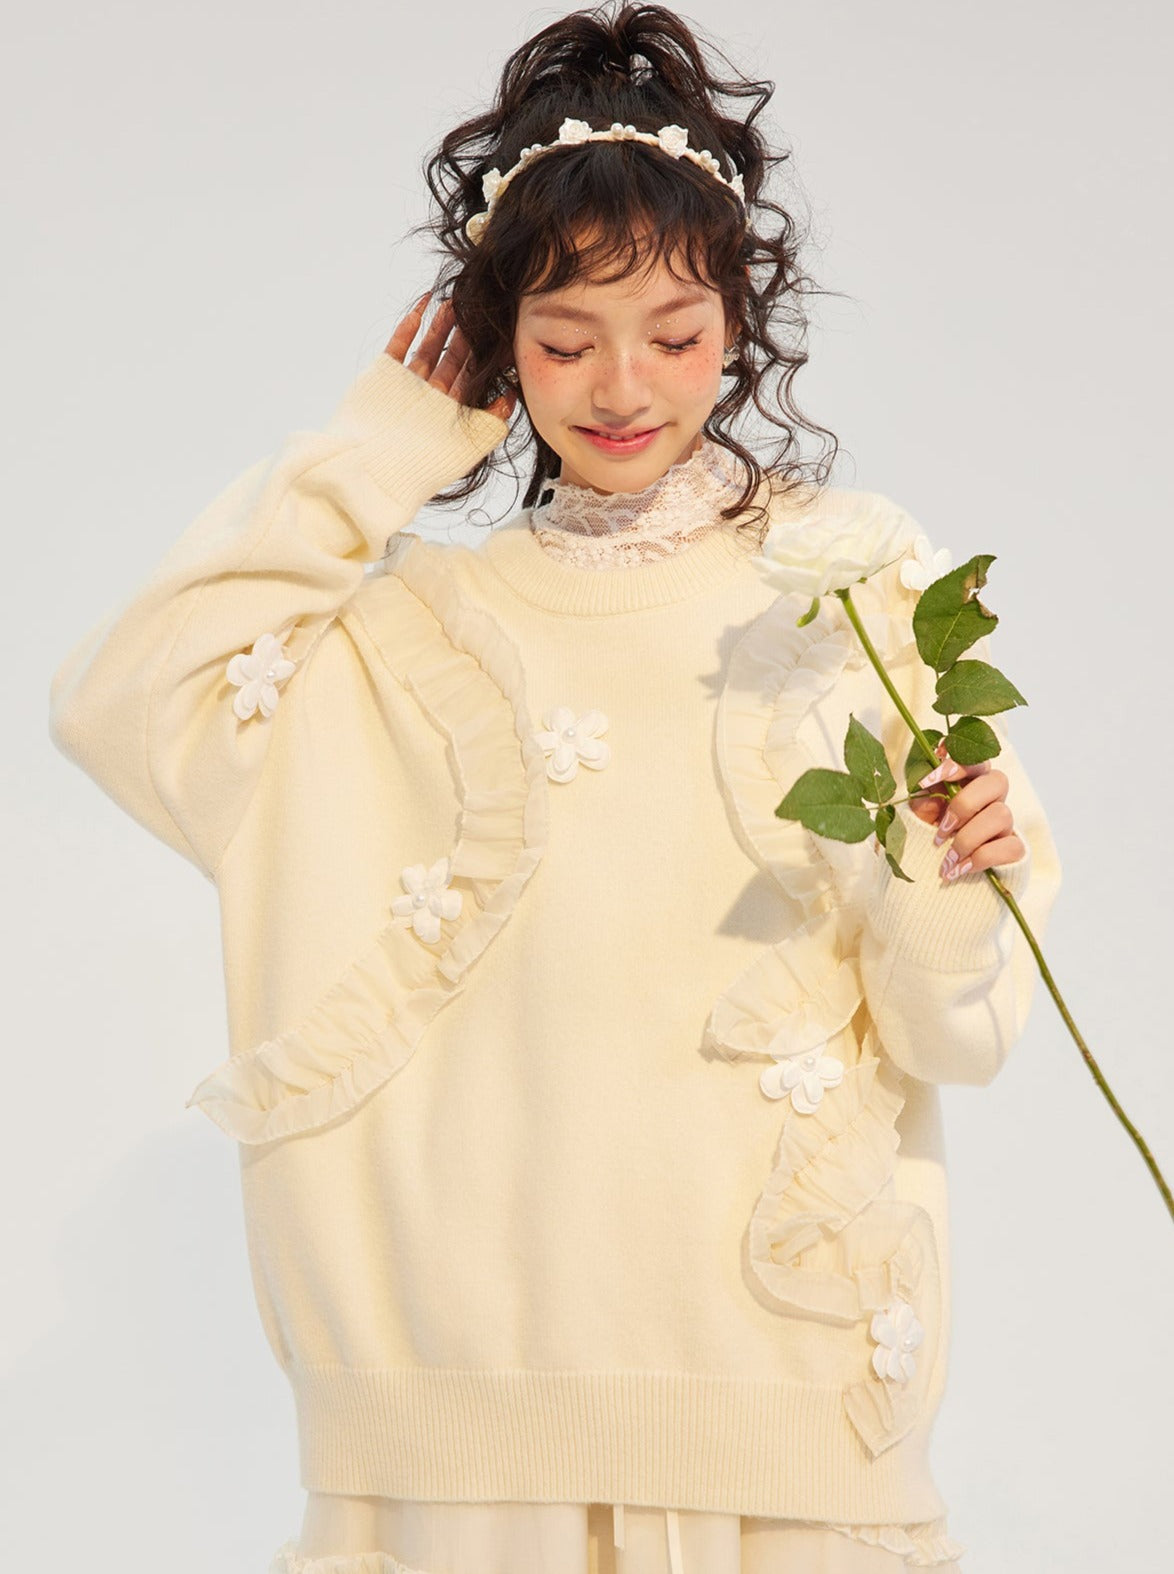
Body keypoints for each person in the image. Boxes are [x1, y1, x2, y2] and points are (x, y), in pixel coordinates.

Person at [47, 4, 1062, 1571]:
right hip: (456, 1462)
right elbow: (123, 698)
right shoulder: (408, 646)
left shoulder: (857, 594)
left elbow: (958, 1038)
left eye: (673, 332)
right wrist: (379, 449)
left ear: (739, 322)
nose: (620, 384)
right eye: (564, 338)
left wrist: (949, 889)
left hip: (792, 1434)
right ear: (495, 344)